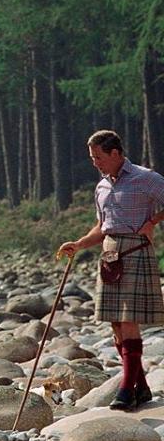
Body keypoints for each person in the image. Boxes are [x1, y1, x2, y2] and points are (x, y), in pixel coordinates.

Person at [58, 130, 164, 411]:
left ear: (116, 153)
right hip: (109, 254)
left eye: (98, 157)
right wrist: (78, 244)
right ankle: (141, 387)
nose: (95, 162)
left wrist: (153, 221)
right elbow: (101, 227)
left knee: (129, 320)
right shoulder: (101, 186)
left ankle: (126, 390)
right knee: (115, 324)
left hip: (136, 251)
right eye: (92, 157)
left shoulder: (147, 178)